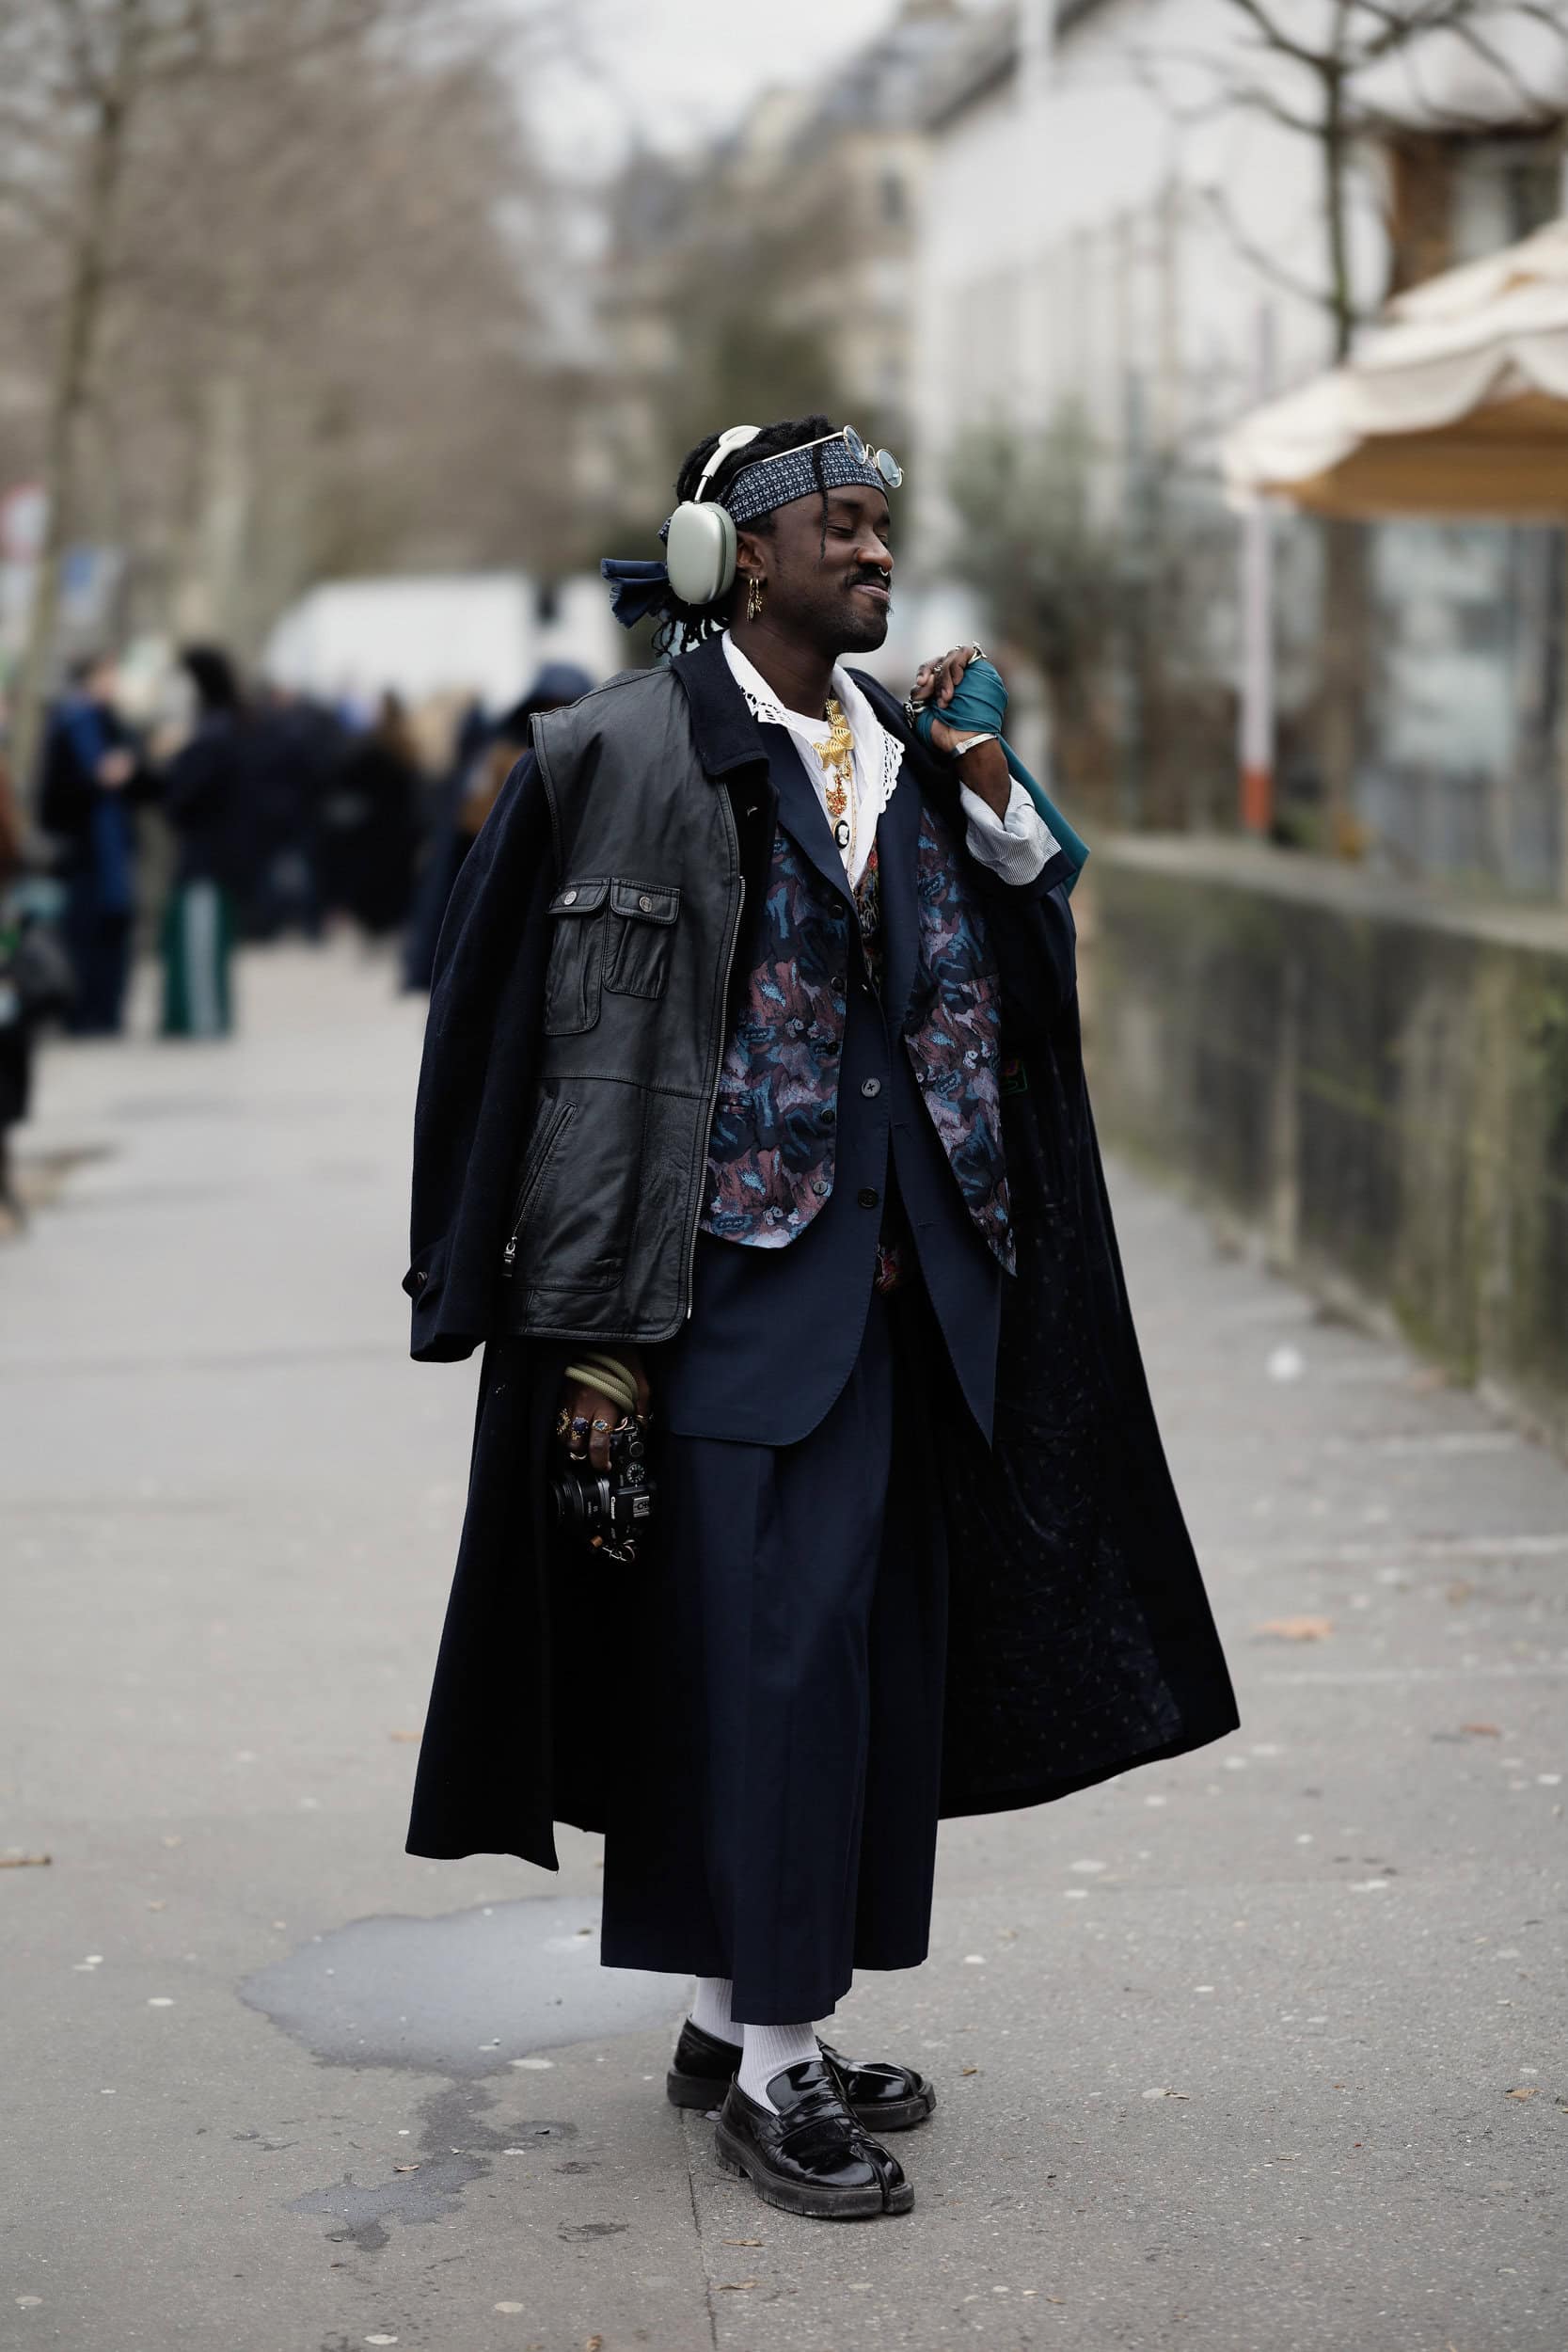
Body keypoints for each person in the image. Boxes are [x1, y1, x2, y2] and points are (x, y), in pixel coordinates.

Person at [403, 416, 1238, 2222]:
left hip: (918, 1298)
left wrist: (995, 773)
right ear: (734, 561)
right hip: (717, 1305)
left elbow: (1025, 971)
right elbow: (490, 1032)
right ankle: (774, 2067)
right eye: (838, 528)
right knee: (768, 1675)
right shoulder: (612, 756)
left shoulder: (915, 762)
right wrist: (479, 1291)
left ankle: (739, 2010)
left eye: (883, 528)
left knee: (847, 1680)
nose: (873, 553)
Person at [403, 665, 594, 994]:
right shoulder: (500, 759)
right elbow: (470, 836)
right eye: (549, 704)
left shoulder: (602, 758)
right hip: (510, 901)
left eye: (567, 703)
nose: (557, 713)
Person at [38, 653, 154, 1036]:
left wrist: (131, 769)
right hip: (84, 851)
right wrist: (97, 781)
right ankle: (79, 1013)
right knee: (81, 934)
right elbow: (52, 800)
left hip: (116, 852)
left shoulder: (117, 725)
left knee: (114, 933)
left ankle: (107, 1012)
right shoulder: (67, 726)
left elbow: (145, 781)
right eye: (105, 676)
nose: (111, 684)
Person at [159, 645, 252, 1038]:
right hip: (214, 854)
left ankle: (202, 1020)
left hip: (206, 857)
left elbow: (183, 795)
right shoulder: (224, 725)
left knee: (200, 942)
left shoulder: (212, 732)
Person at [318, 690, 420, 942]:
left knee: (372, 880)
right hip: (398, 826)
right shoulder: (407, 745)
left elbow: (348, 775)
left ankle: (375, 927)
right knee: (393, 880)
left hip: (374, 826)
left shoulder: (373, 745)